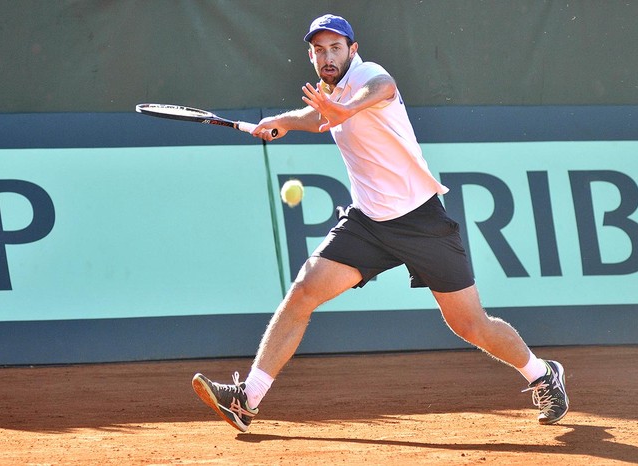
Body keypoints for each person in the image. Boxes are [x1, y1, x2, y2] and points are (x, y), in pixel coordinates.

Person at [191, 14, 569, 433]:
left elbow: (380, 89)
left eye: (336, 47)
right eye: (319, 49)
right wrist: (283, 121)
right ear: (311, 55)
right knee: (302, 293)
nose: (327, 56)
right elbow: (321, 119)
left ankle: (542, 374)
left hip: (421, 222)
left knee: (469, 324)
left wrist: (344, 107)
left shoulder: (370, 76)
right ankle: (247, 399)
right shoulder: (330, 94)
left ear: (353, 50)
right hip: (368, 223)